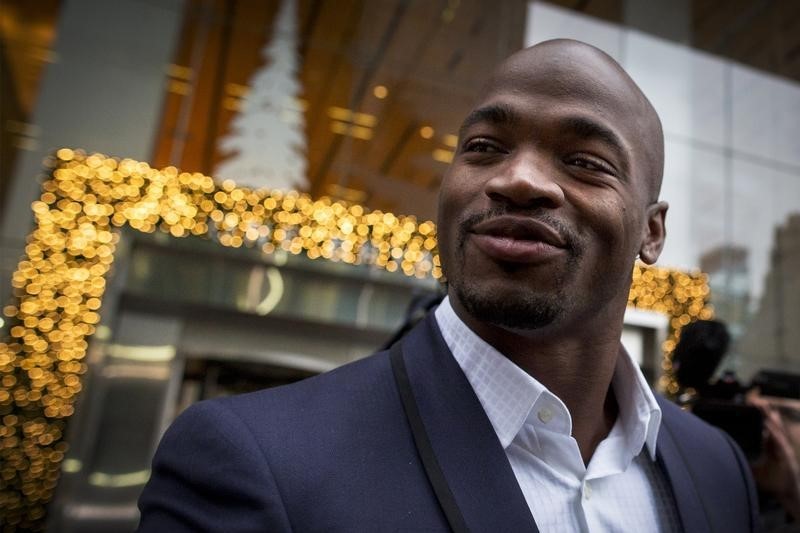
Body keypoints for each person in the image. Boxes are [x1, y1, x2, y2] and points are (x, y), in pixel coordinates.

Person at [137, 39, 758, 532]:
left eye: (583, 161)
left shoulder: (719, 470)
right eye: (485, 147)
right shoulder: (255, 459)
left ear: (652, 233)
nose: (518, 179)